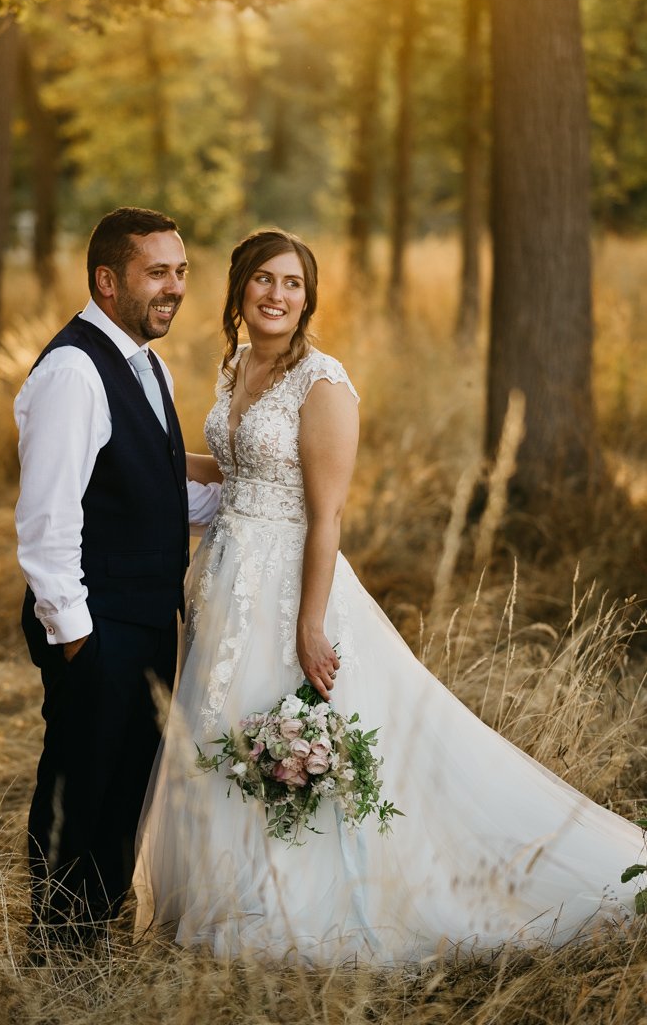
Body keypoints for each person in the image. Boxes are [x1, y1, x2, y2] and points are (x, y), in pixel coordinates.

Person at [133, 227, 643, 967]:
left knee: (290, 728)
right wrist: (140, 454)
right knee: (223, 731)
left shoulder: (324, 382)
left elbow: (327, 512)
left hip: (287, 586)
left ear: (308, 298)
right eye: (265, 280)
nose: (278, 295)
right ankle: (222, 895)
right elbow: (237, 464)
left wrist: (309, 624)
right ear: (239, 287)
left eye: (294, 284)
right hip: (224, 581)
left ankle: (288, 904)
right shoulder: (240, 364)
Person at [15, 206, 220, 954]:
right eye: (156, 272)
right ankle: (55, 948)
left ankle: (92, 937)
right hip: (95, 621)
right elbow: (46, 518)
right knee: (80, 783)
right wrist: (76, 639)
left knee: (126, 779)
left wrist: (262, 490)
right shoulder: (73, 370)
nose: (174, 287)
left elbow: (155, 487)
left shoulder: (145, 362)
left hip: (142, 616)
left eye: (181, 271)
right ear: (108, 280)